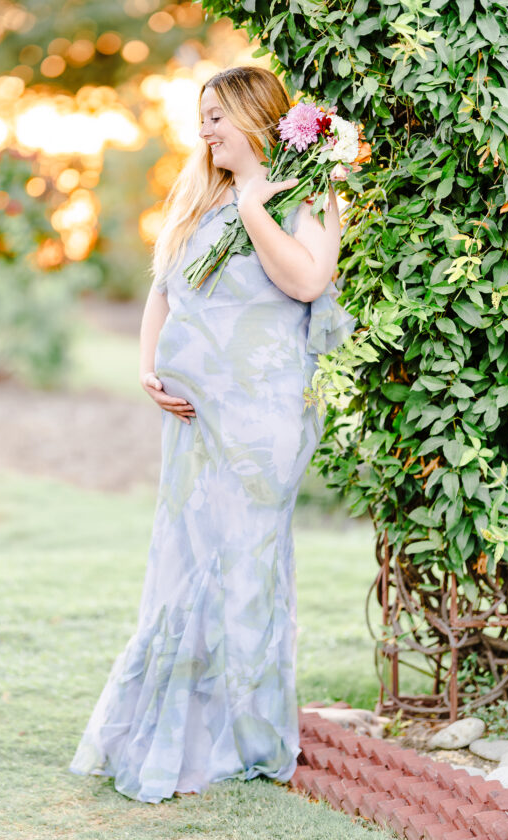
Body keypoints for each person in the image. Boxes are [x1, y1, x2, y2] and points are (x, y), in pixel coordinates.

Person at [69, 65, 354, 803]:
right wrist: (147, 370)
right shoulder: (198, 196)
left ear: (256, 119)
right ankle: (185, 719)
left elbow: (306, 282)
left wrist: (257, 210)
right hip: (193, 424)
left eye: (216, 117)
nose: (203, 130)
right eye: (200, 116)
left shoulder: (305, 196)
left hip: (260, 425)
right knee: (186, 563)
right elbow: (164, 292)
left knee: (245, 569)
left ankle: (246, 734)